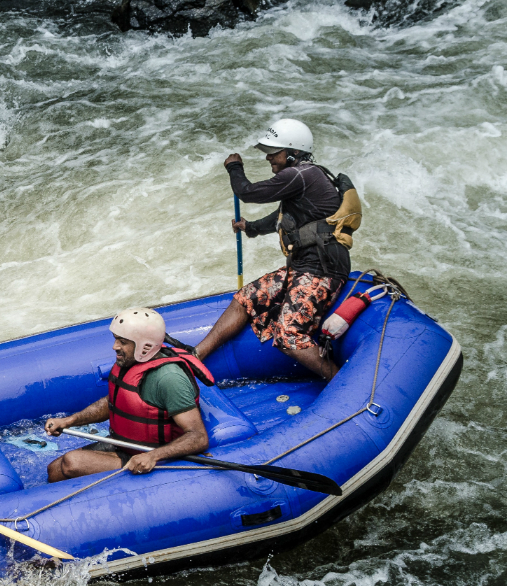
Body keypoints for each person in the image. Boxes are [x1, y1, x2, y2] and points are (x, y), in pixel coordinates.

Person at [194, 118, 360, 380]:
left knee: (289, 335)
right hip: (303, 266)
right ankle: (196, 356)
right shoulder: (304, 178)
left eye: (274, 152)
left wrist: (235, 167)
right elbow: (283, 218)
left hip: (322, 270)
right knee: (246, 296)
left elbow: (247, 192)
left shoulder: (300, 175)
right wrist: (250, 227)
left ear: (293, 152)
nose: (269, 157)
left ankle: (342, 383)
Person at [44, 308, 212, 482]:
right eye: (116, 339)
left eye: (123, 342)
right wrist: (69, 421)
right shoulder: (131, 361)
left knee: (72, 463)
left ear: (144, 346)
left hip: (153, 453)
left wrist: (154, 456)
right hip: (125, 444)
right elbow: (116, 402)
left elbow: (198, 437)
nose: (115, 346)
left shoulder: (169, 378)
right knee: (54, 470)